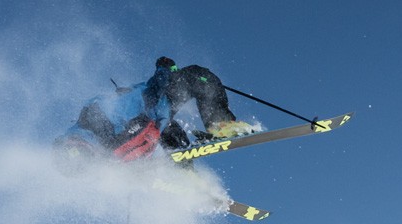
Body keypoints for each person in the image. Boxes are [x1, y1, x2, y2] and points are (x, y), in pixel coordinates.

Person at [58, 57, 255, 162]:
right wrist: (165, 69)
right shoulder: (138, 98)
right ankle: (221, 125)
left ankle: (185, 175)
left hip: (140, 133)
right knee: (199, 76)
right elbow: (154, 88)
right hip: (147, 119)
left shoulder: (89, 126)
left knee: (174, 136)